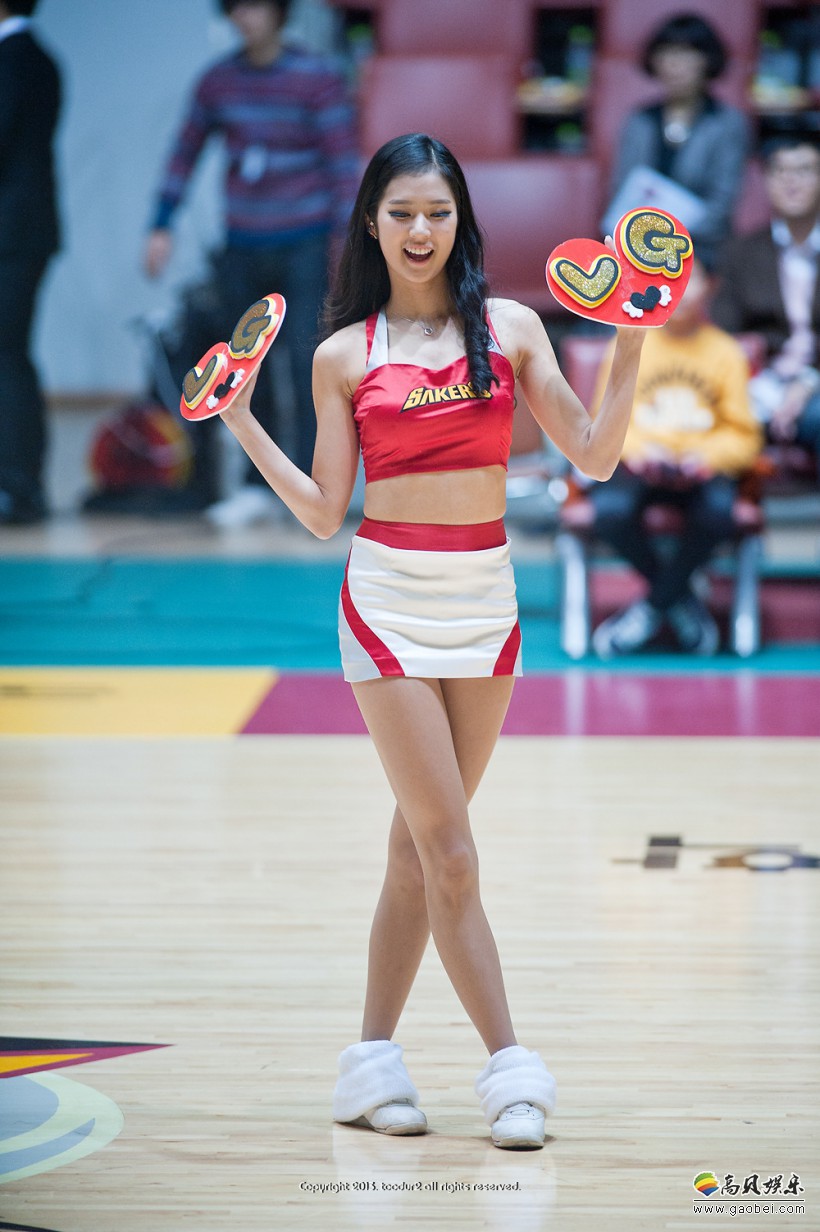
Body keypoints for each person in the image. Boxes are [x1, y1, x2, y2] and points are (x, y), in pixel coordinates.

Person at [209, 132, 647, 1148]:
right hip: (388, 604)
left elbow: (594, 454)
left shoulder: (512, 329)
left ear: (461, 222)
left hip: (486, 603)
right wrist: (240, 419)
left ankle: (367, 1064)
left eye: (438, 213)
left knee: (415, 849)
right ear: (372, 222)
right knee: (451, 850)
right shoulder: (342, 354)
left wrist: (630, 337)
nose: (420, 230)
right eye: (401, 212)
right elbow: (325, 512)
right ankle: (511, 1070)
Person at [143, 0, 358, 526]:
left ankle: (315, 484)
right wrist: (161, 223)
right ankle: (257, 485)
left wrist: (350, 243)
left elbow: (343, 164)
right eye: (236, 7)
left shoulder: (316, 77)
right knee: (244, 364)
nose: (246, 17)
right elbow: (184, 151)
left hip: (305, 241)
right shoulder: (218, 81)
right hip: (242, 242)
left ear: (279, 12)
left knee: (309, 363)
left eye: (257, 5)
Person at [589, 257, 762, 658]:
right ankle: (678, 597)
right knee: (609, 512)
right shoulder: (627, 343)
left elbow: (745, 436)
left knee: (719, 513)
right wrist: (639, 452)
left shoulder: (726, 352)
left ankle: (653, 606)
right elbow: (604, 422)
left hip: (701, 469)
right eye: (669, 278)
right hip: (639, 466)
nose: (679, 290)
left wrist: (705, 456)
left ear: (710, 286)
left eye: (690, 279)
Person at [604, 13, 750, 270]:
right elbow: (621, 189)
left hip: (702, 250)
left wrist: (667, 242)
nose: (674, 64)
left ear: (707, 60)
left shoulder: (727, 123)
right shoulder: (639, 120)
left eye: (686, 53)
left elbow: (721, 205)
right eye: (666, 53)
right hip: (636, 249)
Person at [711, 134, 820, 473]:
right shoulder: (741, 252)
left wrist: (807, 384)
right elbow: (723, 333)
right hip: (760, 380)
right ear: (766, 181)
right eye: (780, 171)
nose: (791, 181)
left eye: (804, 170)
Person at [0, 0, 61, 525]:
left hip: (12, 235)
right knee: (10, 356)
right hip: (24, 232)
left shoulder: (15, 59)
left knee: (7, 357)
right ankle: (20, 484)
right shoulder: (36, 56)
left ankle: (20, 486)